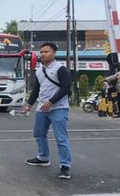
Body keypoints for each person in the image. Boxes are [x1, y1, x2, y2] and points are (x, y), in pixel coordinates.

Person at [23, 42, 72, 180]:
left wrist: (51, 102)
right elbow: (36, 89)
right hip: (42, 108)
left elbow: (66, 88)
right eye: (41, 52)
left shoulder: (60, 69)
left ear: (54, 53)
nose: (43, 54)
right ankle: (43, 157)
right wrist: (29, 104)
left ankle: (65, 166)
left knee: (61, 138)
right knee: (39, 133)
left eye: (46, 52)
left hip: (58, 107)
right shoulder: (39, 70)